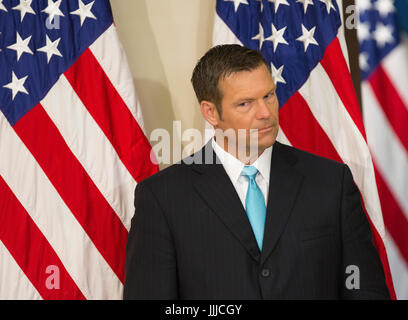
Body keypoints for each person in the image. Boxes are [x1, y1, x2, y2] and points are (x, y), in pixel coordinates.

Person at [123, 44, 390, 299]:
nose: (265, 112)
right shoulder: (163, 197)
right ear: (211, 112)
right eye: (245, 103)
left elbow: (365, 289)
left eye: (269, 95)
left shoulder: (331, 182)